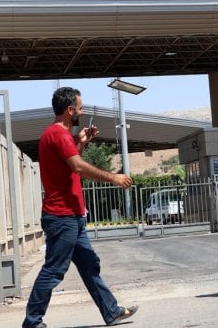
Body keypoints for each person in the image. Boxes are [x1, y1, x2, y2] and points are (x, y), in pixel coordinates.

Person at [23, 87, 138, 328]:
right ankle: (32, 322)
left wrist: (83, 141)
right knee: (53, 271)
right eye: (80, 107)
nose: (82, 112)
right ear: (69, 110)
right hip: (62, 217)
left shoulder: (55, 135)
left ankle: (111, 311)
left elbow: (68, 164)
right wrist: (114, 178)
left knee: (89, 265)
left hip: (71, 217)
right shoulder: (60, 135)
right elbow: (77, 167)